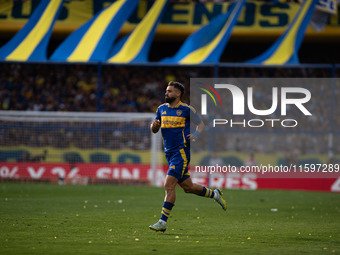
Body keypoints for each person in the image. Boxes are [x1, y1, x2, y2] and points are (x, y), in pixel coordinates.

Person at [149, 81, 227, 232]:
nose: (166, 93)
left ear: (178, 94)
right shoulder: (161, 109)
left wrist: (196, 134)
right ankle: (214, 194)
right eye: (166, 91)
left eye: (170, 91)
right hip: (169, 153)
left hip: (181, 152)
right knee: (188, 187)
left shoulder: (186, 109)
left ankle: (162, 222)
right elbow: (154, 129)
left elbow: (201, 124)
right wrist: (154, 126)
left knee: (168, 185)